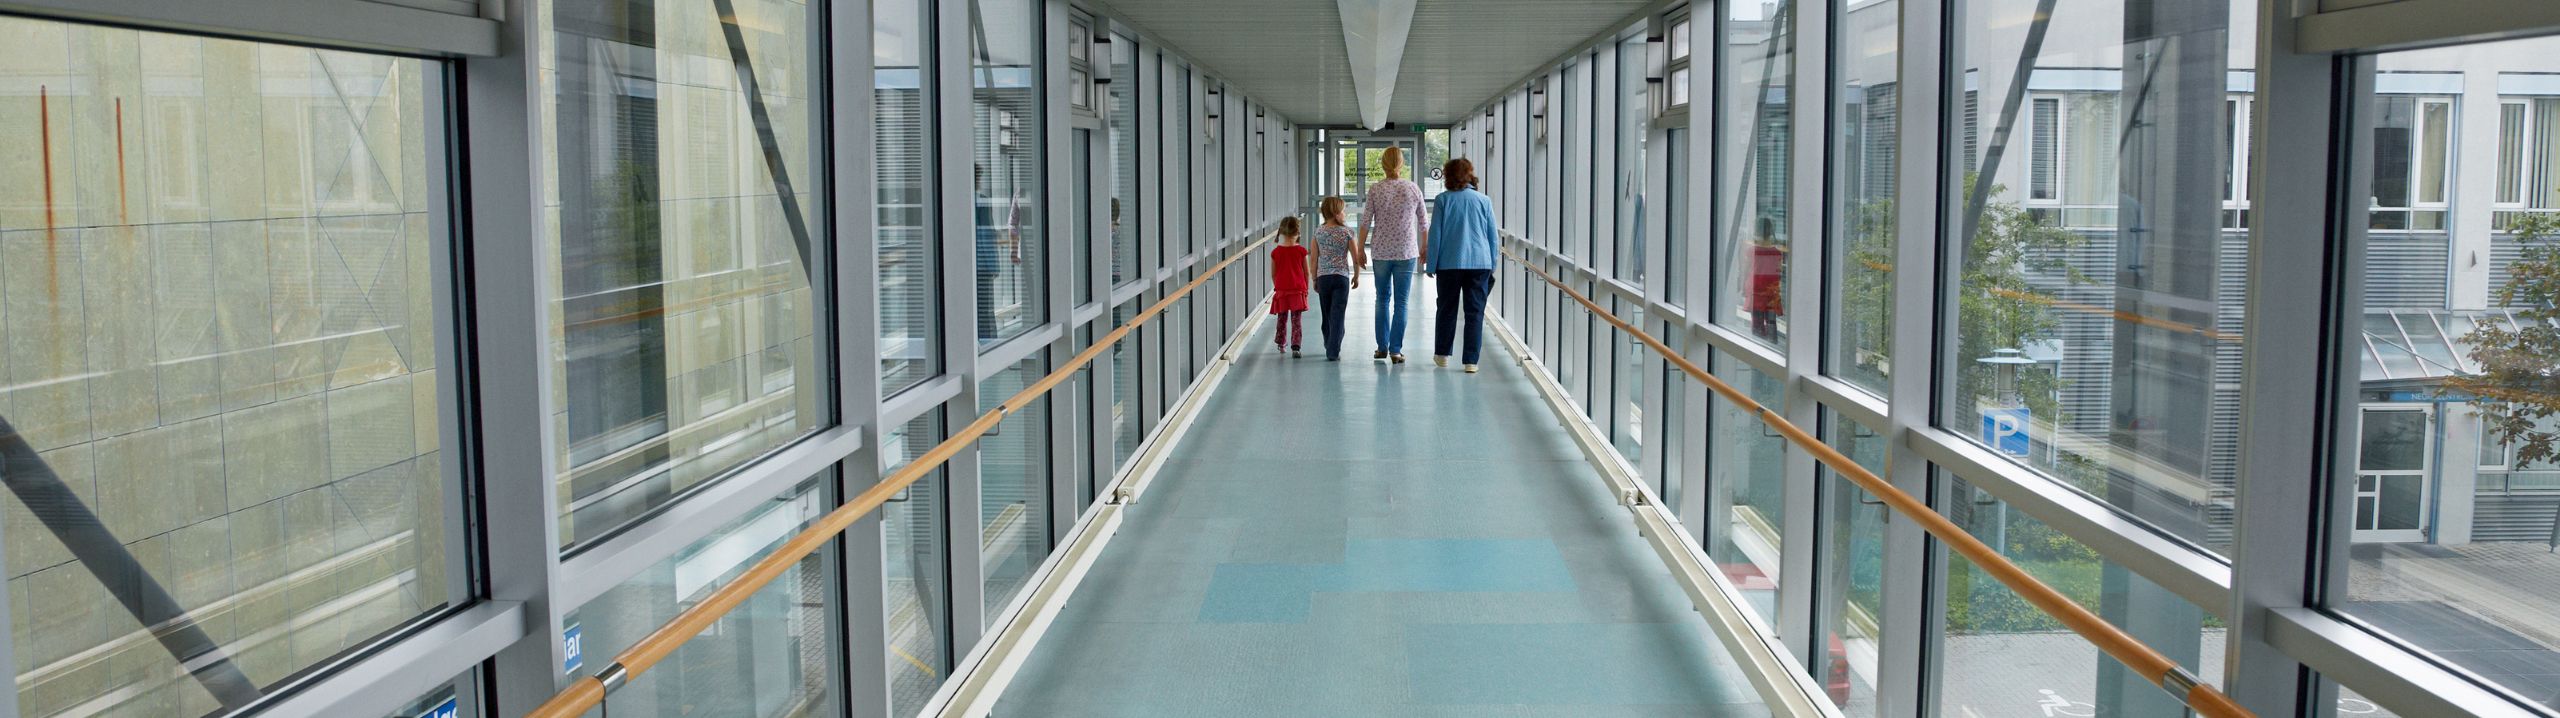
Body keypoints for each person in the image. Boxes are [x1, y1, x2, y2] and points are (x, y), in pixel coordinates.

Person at [1426, 158, 1499, 374]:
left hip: (1449, 264)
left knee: (1446, 308)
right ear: (1469, 174)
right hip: (1479, 264)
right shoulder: (1483, 200)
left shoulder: (1442, 200)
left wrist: (1431, 264)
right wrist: (1492, 263)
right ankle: (1471, 361)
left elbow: (1436, 234)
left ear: (1447, 175)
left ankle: (1442, 355)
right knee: (1475, 312)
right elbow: (1492, 236)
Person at [1357, 146, 1428, 364]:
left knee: (1382, 299)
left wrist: (1360, 249)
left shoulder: (1375, 189)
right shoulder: (1412, 188)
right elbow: (1424, 223)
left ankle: (1381, 348)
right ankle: (1396, 350)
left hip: (1381, 251)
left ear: (1383, 164)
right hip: (1406, 251)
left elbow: (1365, 222)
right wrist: (1425, 248)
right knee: (1402, 302)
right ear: (1401, 164)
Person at [1310, 197, 1364, 361]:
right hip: (1341, 278)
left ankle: (1328, 343)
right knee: (1338, 314)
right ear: (1335, 213)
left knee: (1326, 314)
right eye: (1343, 210)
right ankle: (1333, 350)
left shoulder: (1318, 232)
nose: (1345, 213)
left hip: (1324, 278)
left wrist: (1314, 278)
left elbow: (1313, 258)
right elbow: (1355, 258)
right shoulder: (1347, 232)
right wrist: (1356, 275)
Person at [1269, 217, 1312, 357]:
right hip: (1297, 289)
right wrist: (1306, 288)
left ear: (1281, 232)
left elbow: (1273, 274)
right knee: (1296, 320)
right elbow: (1306, 272)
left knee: (1282, 318)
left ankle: (1281, 344)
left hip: (1282, 290)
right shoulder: (1301, 251)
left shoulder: (1276, 252)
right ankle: (1296, 346)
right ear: (1297, 233)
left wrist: (1278, 286)